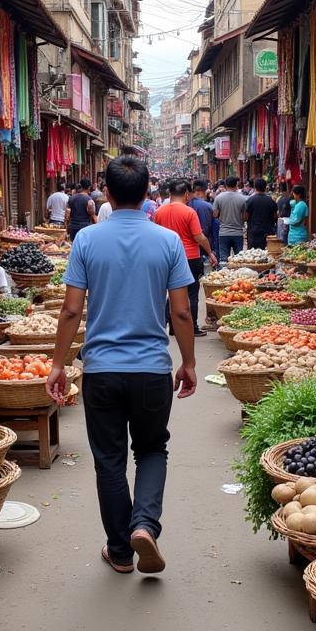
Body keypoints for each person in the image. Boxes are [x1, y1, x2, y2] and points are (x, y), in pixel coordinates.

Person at [46, 157, 197, 575]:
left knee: (109, 459)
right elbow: (181, 313)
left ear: (106, 194)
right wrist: (188, 362)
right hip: (151, 369)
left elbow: (72, 311)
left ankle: (120, 550)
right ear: (149, 190)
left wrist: (58, 364)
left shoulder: (87, 241)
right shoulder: (167, 242)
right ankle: (145, 524)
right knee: (152, 449)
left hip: (102, 371)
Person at [154, 180, 218, 336]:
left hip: (166, 257)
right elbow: (199, 236)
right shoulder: (189, 212)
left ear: (169, 194)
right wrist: (209, 252)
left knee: (170, 292)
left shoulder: (159, 212)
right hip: (190, 257)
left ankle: (173, 327)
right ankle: (192, 327)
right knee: (191, 294)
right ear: (186, 195)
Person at [213, 176, 246, 261]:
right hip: (238, 233)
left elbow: (215, 214)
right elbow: (245, 217)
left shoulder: (219, 197)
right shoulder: (242, 198)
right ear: (236, 185)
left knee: (224, 260)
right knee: (239, 260)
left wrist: (221, 215)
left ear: (225, 185)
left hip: (224, 233)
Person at [244, 178, 280, 251]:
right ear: (265, 187)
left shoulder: (250, 200)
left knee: (253, 255)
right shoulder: (271, 201)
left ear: (255, 187)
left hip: (254, 232)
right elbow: (275, 217)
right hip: (268, 233)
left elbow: (245, 217)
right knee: (267, 255)